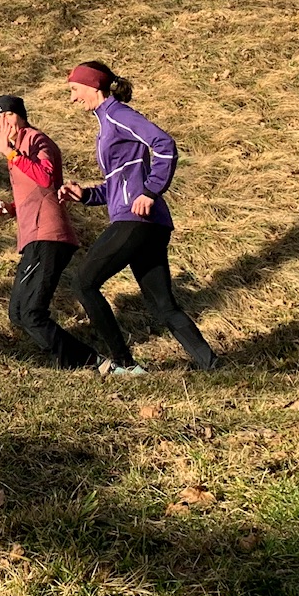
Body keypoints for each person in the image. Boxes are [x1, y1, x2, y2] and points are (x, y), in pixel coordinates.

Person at [55, 62, 220, 374]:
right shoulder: (106, 122)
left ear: (93, 86)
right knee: (163, 305)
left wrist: (151, 190)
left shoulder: (117, 114)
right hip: (146, 221)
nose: (73, 98)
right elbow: (119, 183)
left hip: (136, 219)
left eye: (75, 90)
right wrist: (86, 194)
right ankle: (211, 365)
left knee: (84, 283)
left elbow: (164, 144)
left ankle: (124, 364)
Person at [0, 95, 98, 369]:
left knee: (32, 312)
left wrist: (11, 154)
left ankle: (86, 361)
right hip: (32, 237)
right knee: (18, 312)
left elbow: (47, 177)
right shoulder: (16, 148)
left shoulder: (37, 140)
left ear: (21, 116)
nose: (3, 123)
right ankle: (70, 360)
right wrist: (10, 208)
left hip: (48, 235)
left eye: (8, 116)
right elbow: (34, 191)